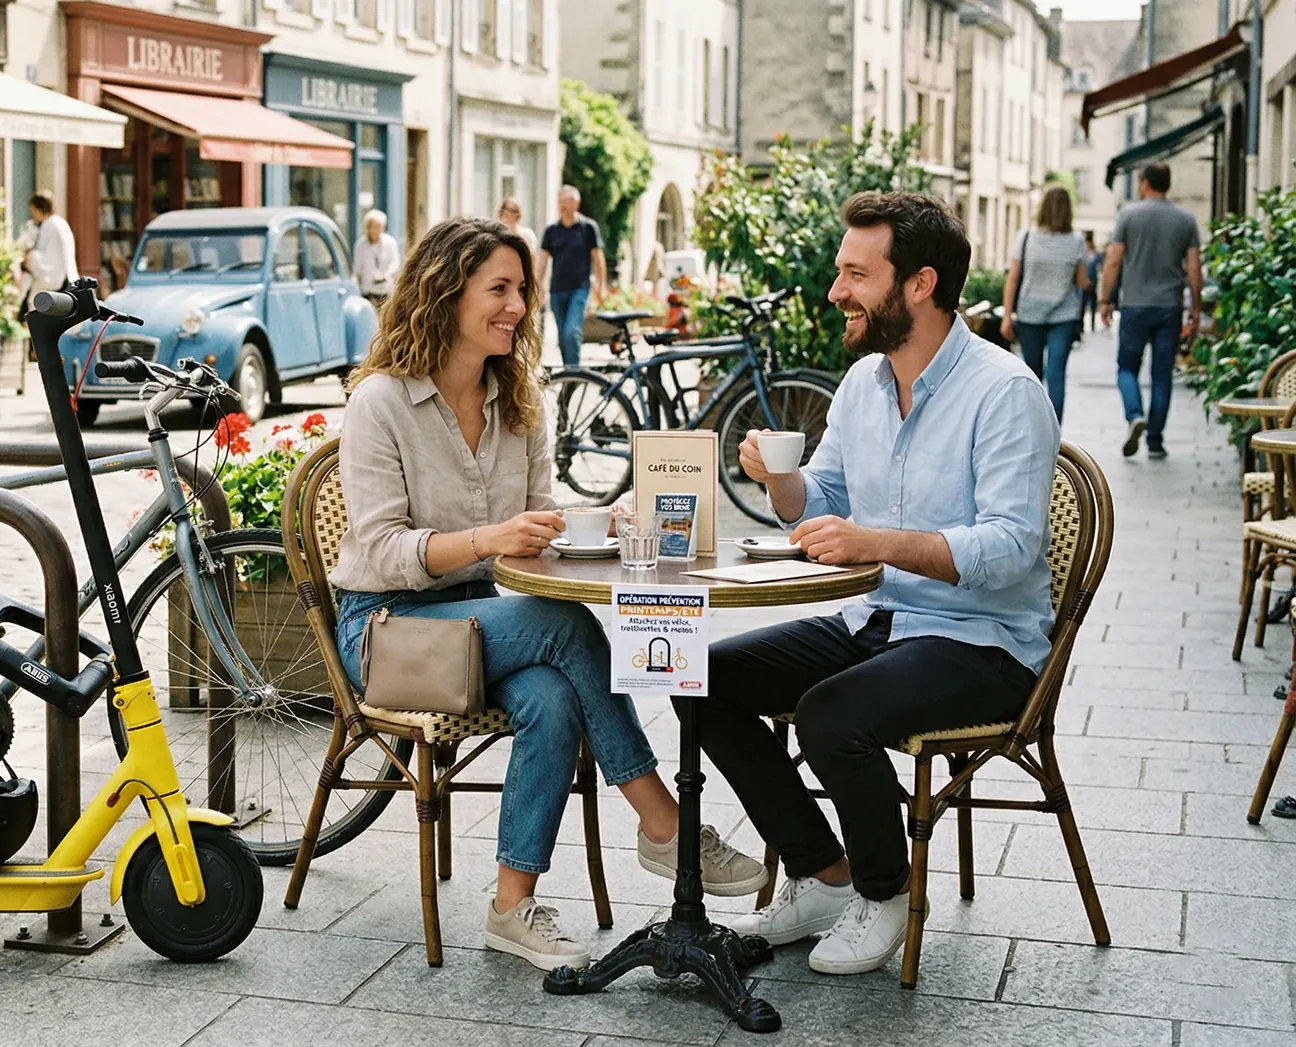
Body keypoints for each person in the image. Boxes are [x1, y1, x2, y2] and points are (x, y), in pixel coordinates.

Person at [333, 216, 765, 973]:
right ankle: (664, 822)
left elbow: (541, 517)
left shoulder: (518, 396)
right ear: (445, 292)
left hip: (489, 624)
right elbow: (379, 550)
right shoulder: (382, 403)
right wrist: (488, 540)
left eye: (522, 290)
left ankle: (509, 905)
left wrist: (602, 519)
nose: (517, 307)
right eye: (498, 288)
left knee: (555, 698)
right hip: (392, 628)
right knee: (561, 624)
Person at [710, 191, 1057, 978]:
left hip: (984, 642)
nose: (838, 292)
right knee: (703, 679)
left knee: (833, 712)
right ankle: (824, 875)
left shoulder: (1005, 392)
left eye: (855, 275)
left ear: (920, 284)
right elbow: (822, 503)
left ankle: (886, 888)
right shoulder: (865, 383)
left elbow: (1010, 547)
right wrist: (779, 476)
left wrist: (878, 542)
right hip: (883, 621)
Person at [1098, 163, 1201, 459]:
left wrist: (1105, 299)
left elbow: (1114, 260)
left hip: (1134, 305)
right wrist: (1195, 307)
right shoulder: (1185, 220)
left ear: (1144, 184)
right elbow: (1193, 268)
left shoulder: (1128, 215)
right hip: (1169, 307)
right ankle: (1155, 440)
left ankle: (1135, 415)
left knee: (1127, 367)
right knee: (1161, 374)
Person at [1000, 187, 1089, 422]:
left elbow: (1013, 277)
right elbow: (1082, 282)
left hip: (1030, 314)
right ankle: (1055, 431)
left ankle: (1033, 425)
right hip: (1064, 316)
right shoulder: (1077, 241)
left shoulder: (1026, 237)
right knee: (1057, 372)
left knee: (1032, 374)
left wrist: (1007, 315)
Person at [538, 185, 607, 368]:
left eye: (567, 201)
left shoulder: (588, 228)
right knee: (562, 337)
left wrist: (602, 285)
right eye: (560, 202)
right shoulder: (552, 230)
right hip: (557, 290)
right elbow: (542, 261)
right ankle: (569, 374)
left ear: (576, 203)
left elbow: (598, 258)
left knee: (571, 331)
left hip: (580, 288)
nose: (563, 206)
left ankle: (574, 373)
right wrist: (538, 286)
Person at [23, 192, 78, 312]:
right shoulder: (60, 223)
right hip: (64, 275)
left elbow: (45, 256)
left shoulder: (49, 226)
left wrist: (29, 258)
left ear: (38, 209)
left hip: (50, 277)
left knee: (35, 304)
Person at [353, 208, 401, 310]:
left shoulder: (390, 242)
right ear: (368, 228)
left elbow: (395, 262)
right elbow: (357, 268)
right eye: (375, 227)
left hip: (385, 289)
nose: (378, 230)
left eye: (381, 227)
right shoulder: (361, 244)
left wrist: (385, 274)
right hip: (368, 290)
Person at [1080, 231, 1101, 331]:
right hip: (1084, 284)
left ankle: (1093, 325)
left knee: (1093, 305)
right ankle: (1081, 327)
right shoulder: (1082, 254)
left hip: (1093, 283)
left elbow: (1101, 267)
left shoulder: (1097, 255)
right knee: (1082, 306)